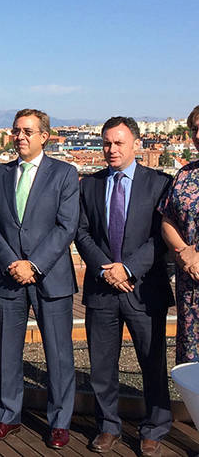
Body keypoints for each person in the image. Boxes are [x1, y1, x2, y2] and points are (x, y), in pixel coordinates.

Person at [0, 109, 79, 449]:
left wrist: (33, 264)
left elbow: (67, 226)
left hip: (50, 276)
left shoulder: (65, 174)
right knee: (8, 350)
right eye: (16, 131)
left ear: (44, 136)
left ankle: (60, 422)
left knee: (59, 353)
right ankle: (8, 416)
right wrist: (12, 262)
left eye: (28, 132)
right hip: (9, 277)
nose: (20, 137)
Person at [76, 116, 172, 456]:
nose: (111, 149)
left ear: (136, 145)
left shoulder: (160, 184)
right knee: (102, 366)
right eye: (106, 143)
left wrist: (129, 269)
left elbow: (161, 236)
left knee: (152, 362)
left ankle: (155, 428)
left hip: (144, 290)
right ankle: (108, 426)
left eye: (118, 143)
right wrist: (107, 270)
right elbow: (81, 232)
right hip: (102, 288)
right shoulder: (89, 184)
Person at [160, 104, 199, 364]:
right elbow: (167, 218)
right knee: (192, 364)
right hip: (190, 282)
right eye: (195, 129)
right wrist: (185, 252)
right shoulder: (184, 174)